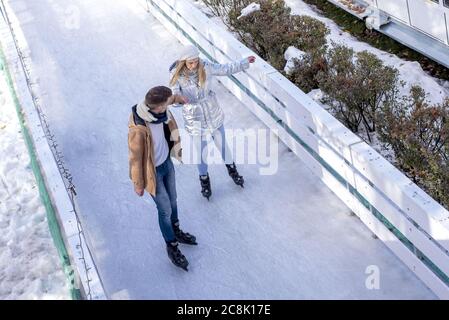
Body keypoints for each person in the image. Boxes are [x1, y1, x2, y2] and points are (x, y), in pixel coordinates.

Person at [169, 45, 256, 200]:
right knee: (201, 153)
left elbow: (225, 68)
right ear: (183, 62)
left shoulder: (206, 67)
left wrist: (244, 62)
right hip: (194, 119)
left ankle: (233, 171)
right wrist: (180, 100)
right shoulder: (177, 76)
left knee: (223, 147)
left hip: (212, 113)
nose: (194, 65)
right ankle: (204, 180)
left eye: (195, 61)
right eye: (190, 62)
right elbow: (173, 97)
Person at [128, 86, 195, 271]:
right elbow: (135, 157)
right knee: (164, 209)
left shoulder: (159, 111)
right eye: (165, 105)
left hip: (166, 163)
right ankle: (171, 245)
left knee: (173, 200)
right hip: (153, 172)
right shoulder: (139, 129)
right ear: (156, 108)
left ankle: (176, 230)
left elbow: (168, 99)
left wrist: (177, 98)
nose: (168, 106)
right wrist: (138, 184)